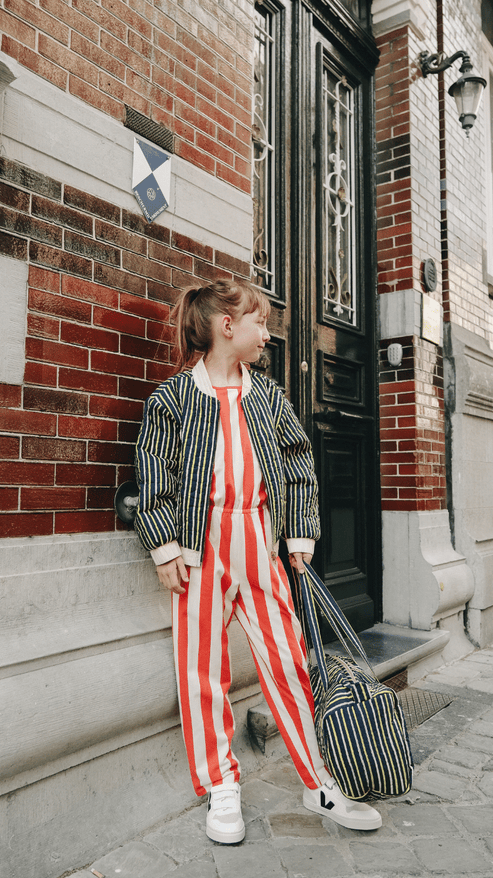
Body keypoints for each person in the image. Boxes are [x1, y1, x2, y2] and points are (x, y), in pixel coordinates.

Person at [134, 279, 381, 843]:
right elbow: (154, 471)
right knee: (201, 669)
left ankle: (319, 777)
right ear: (227, 326)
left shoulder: (268, 396)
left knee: (289, 657)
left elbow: (297, 464)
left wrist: (300, 534)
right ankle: (221, 785)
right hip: (200, 548)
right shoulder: (171, 399)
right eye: (259, 323)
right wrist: (164, 545)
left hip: (258, 540)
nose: (267, 334)